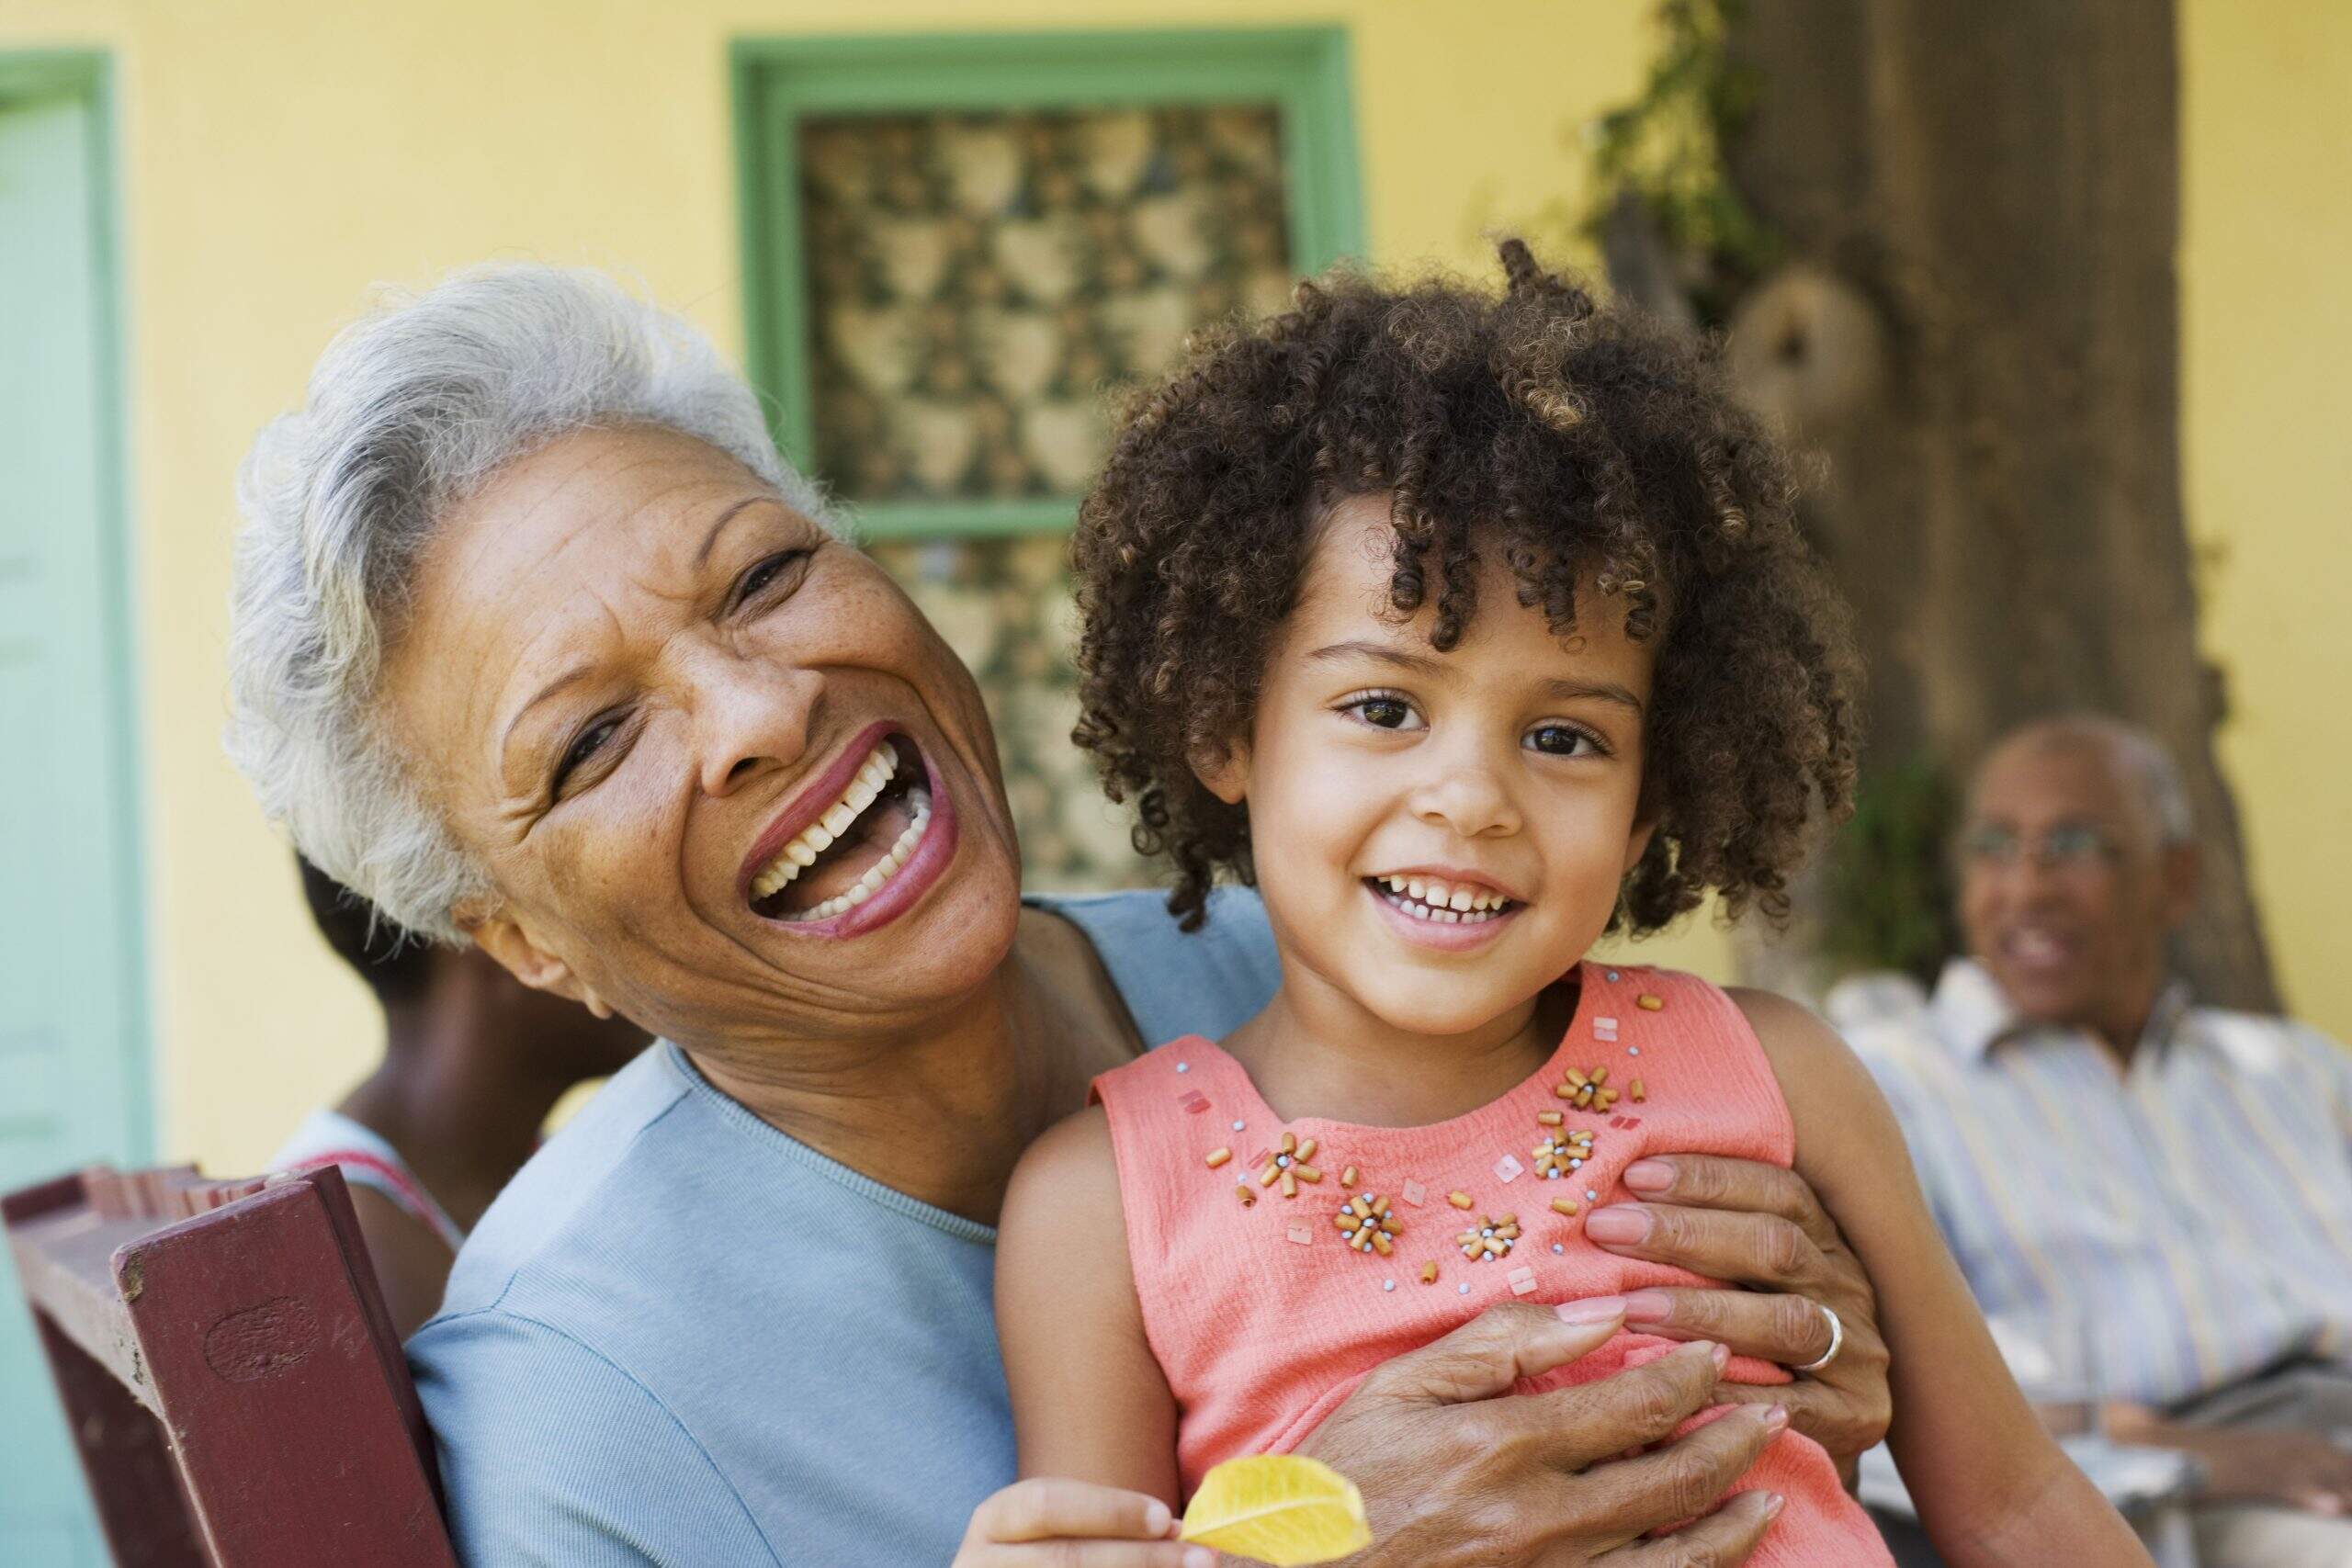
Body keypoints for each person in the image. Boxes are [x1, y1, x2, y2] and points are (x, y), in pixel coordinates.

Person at [226, 261, 1899, 1567]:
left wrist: (1801, 1351)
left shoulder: (1325, 965)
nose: (751, 710)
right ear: (518, 938)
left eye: (764, 576)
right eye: (592, 740)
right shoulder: (587, 1405)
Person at [980, 244, 2144, 1568]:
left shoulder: (1779, 1076)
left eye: (1569, 738)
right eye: (1382, 707)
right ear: (1221, 723)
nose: (1471, 795)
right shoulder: (1104, 1207)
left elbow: (2011, 1500)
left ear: (1657, 791)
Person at [1838, 715, 2352, 1568]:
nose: (2026, 887)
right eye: (1995, 847)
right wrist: (2185, 1459)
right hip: (2175, 1501)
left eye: (2074, 844)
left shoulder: (2295, 1072)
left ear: (2176, 879)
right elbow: (1877, 1411)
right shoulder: (1892, 1087)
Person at [271, 855, 649, 1337]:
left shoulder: (537, 1173)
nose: (644, 943)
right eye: (584, 900)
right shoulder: (351, 1250)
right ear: (495, 939)